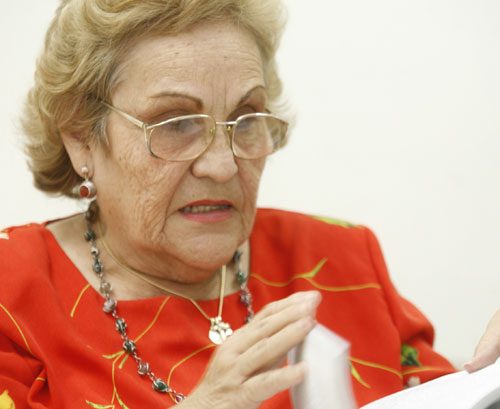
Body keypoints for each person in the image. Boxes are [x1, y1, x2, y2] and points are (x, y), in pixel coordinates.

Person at [0, 1, 498, 408]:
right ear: (82, 138)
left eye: (246, 118)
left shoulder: (343, 261)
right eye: (176, 123)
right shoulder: (14, 295)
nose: (222, 165)